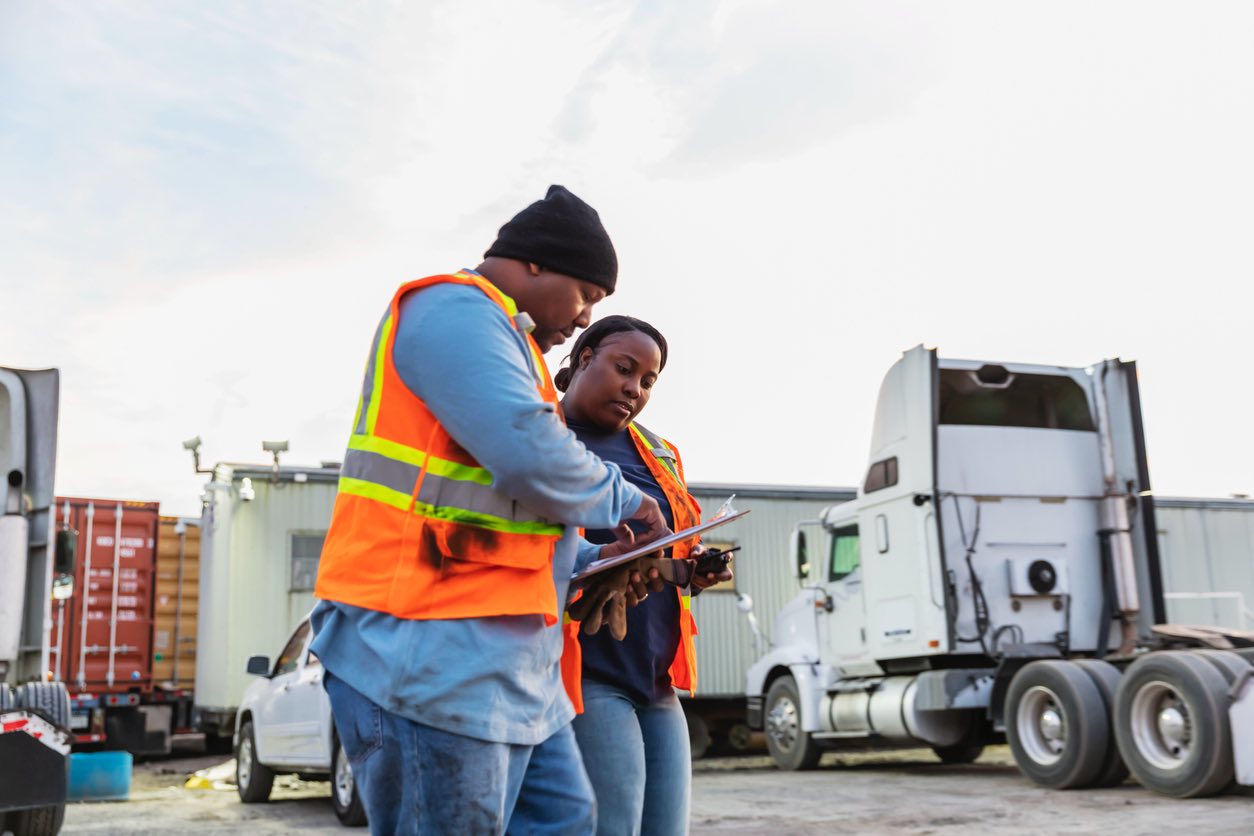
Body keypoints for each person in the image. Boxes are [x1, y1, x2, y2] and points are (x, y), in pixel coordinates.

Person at [309, 186, 672, 835]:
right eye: (587, 294)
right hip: (422, 658)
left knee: (565, 821)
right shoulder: (452, 310)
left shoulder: (515, 347)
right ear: (535, 263)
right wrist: (632, 503)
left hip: (505, 673)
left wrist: (595, 558)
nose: (586, 317)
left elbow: (505, 519)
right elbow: (532, 457)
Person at [556, 316, 733, 836]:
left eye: (649, 380)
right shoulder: (540, 437)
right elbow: (533, 542)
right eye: (624, 369)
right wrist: (599, 559)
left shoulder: (659, 451)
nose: (635, 388)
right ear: (584, 358)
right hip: (587, 669)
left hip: (656, 678)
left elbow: (673, 541)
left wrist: (693, 567)